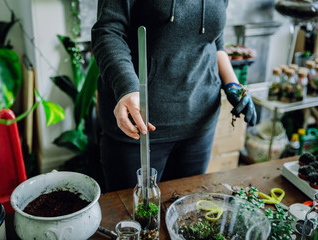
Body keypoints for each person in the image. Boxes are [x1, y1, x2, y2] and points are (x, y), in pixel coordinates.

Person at [91, 0, 257, 192]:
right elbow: (108, 31)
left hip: (199, 125)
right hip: (139, 125)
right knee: (134, 214)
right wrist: (127, 87)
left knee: (185, 211)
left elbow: (215, 41)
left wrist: (233, 84)